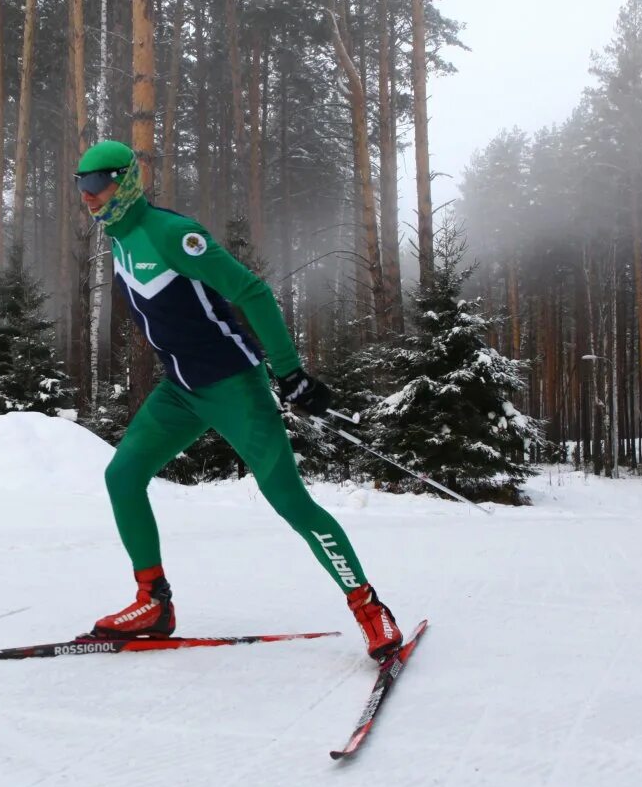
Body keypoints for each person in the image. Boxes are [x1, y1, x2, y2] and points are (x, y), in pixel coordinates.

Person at [75, 139, 402, 660]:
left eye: (96, 184)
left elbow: (252, 291)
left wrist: (291, 373)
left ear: (126, 180)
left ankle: (369, 608)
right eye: (81, 186)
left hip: (235, 388)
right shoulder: (120, 240)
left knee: (290, 503)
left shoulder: (173, 234)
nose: (88, 197)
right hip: (180, 389)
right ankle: (153, 603)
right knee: (123, 476)